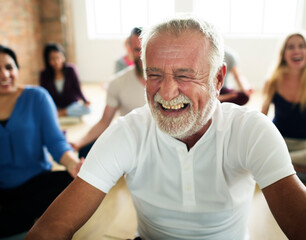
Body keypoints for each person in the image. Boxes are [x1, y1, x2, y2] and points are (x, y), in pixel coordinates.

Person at [26, 17, 306, 240]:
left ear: (218, 78)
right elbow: (49, 229)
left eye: (185, 75)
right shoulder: (129, 131)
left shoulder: (251, 131)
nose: (167, 93)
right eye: (155, 75)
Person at [0, 45, 83, 238]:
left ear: (17, 69)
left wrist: (73, 164)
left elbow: (56, 142)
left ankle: (17, 221)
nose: (4, 75)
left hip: (36, 183)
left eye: (9, 67)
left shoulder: (37, 97)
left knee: (73, 184)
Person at [71, 27, 146, 158]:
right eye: (137, 50)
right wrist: (79, 142)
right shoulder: (117, 82)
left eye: (146, 48)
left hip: (159, 142)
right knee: (85, 152)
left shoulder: (168, 81)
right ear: (129, 49)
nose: (142, 55)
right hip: (130, 140)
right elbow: (104, 121)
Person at [261, 33, 306, 182]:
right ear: (283, 54)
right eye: (291, 47)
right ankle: (290, 167)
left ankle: (284, 165)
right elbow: (262, 117)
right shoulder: (272, 81)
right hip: (279, 141)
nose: (297, 51)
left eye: (301, 46)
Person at [40, 43, 91, 117]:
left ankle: (62, 113)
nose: (57, 61)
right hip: (55, 106)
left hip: (71, 105)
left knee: (88, 109)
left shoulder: (71, 69)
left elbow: (78, 88)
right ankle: (60, 113)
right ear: (47, 60)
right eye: (53, 59)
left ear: (63, 57)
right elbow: (44, 94)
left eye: (59, 57)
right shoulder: (44, 74)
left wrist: (85, 100)